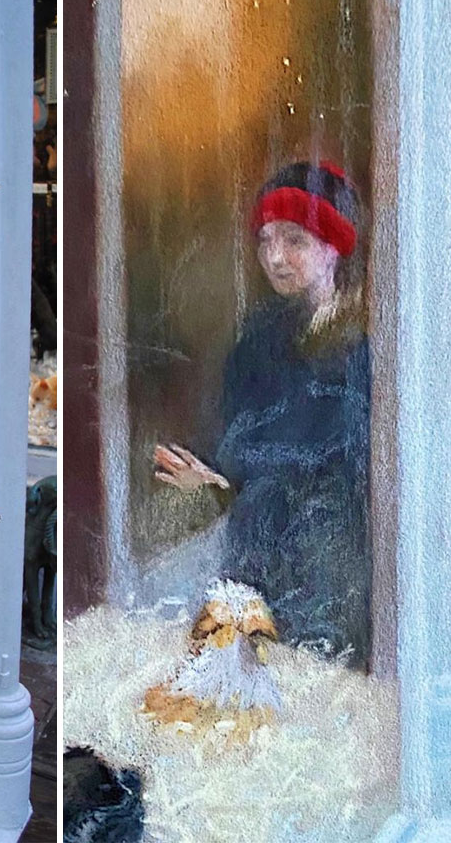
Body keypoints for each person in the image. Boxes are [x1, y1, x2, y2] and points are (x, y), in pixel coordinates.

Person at [154, 160, 371, 668]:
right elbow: (229, 445)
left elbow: (343, 468)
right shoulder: (257, 339)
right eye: (265, 240)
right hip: (252, 556)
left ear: (334, 244)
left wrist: (238, 478)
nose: (274, 258)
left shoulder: (362, 347)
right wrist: (207, 481)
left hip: (325, 568)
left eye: (294, 239)